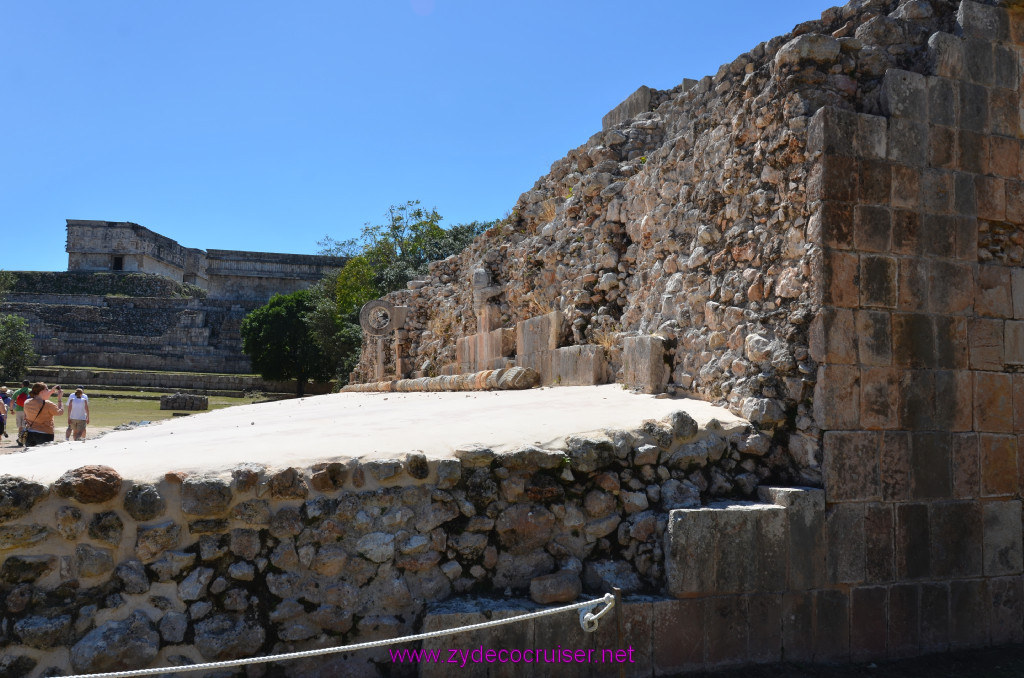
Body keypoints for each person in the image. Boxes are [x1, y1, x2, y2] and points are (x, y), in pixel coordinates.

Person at [11, 380, 30, 445]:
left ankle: (20, 440)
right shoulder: (31, 391)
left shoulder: (17, 391)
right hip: (28, 410)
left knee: (20, 426)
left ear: (22, 385)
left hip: (19, 410)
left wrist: (11, 410)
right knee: (27, 425)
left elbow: (12, 401)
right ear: (28, 385)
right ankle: (26, 439)